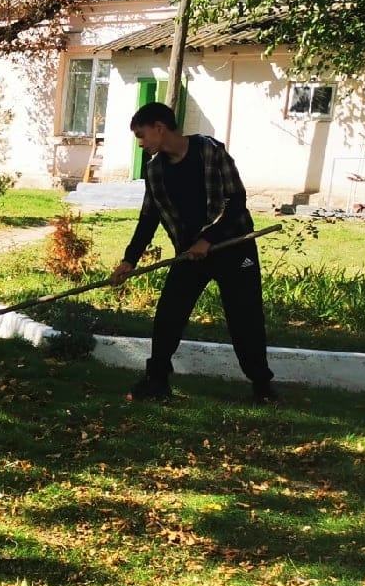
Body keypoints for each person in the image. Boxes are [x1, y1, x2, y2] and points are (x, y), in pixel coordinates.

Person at [108, 101, 276, 403]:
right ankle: (156, 380)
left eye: (142, 136)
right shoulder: (155, 169)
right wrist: (129, 259)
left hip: (234, 247)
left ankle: (262, 387)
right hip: (191, 254)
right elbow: (149, 217)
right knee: (168, 316)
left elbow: (235, 200)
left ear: (160, 128)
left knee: (245, 319)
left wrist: (208, 238)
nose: (142, 144)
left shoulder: (209, 151)